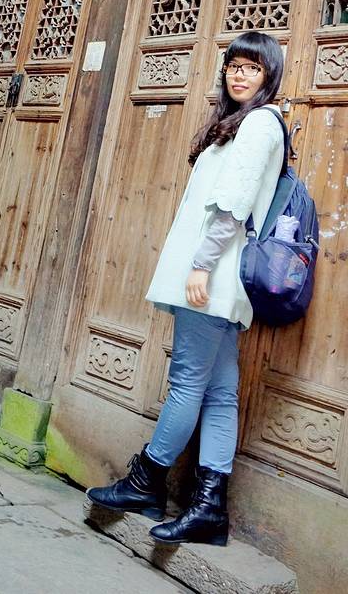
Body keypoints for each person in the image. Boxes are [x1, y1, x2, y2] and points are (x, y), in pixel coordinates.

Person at [86, 30, 285, 547]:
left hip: (212, 278)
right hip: (219, 281)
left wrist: (200, 265)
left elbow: (233, 205)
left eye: (253, 68)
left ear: (269, 76)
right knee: (219, 392)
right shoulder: (241, 123)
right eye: (235, 65)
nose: (240, 75)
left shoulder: (261, 123)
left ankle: (145, 482)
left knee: (187, 383)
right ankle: (209, 509)